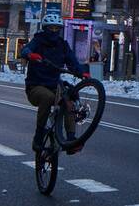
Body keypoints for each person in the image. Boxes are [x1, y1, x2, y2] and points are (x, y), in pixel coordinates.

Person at [20, 8, 89, 154]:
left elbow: (72, 61)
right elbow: (25, 50)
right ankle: (38, 137)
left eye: (56, 28)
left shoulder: (62, 45)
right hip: (36, 86)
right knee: (47, 97)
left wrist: (82, 72)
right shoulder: (38, 41)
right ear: (45, 29)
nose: (53, 31)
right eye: (50, 28)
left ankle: (70, 139)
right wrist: (30, 55)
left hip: (54, 85)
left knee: (68, 103)